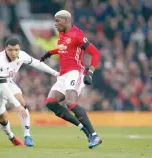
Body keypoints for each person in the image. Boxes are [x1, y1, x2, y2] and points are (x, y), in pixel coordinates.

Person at [0, 37, 58, 147]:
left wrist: (55, 73)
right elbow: (3, 87)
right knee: (3, 117)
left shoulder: (22, 55)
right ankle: (11, 136)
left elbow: (37, 63)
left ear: (19, 48)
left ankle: (27, 135)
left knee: (22, 102)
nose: (13, 53)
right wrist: (16, 106)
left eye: (16, 50)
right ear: (5, 49)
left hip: (6, 81)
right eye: (10, 50)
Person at [40, 10, 102, 149]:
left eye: (58, 21)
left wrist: (90, 73)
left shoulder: (78, 35)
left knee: (70, 102)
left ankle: (94, 135)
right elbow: (65, 48)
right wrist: (51, 52)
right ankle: (85, 130)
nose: (55, 24)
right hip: (62, 74)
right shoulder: (62, 33)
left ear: (67, 21)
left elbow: (95, 53)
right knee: (51, 103)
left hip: (75, 72)